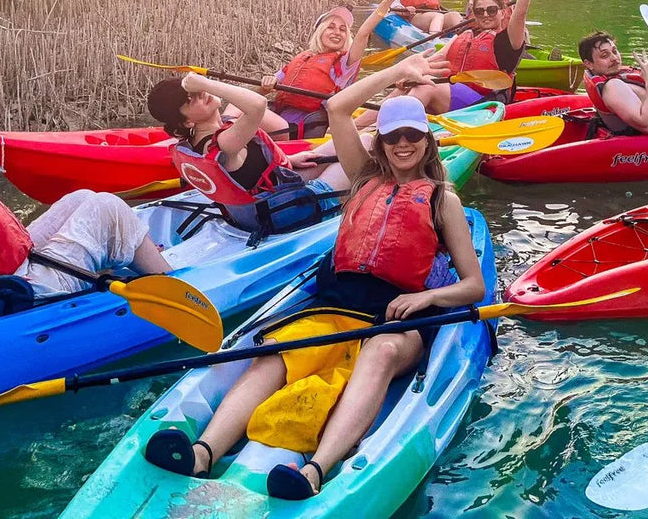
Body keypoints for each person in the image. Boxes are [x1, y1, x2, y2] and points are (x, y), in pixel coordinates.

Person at [142, 53, 486, 499]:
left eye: (413, 136)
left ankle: (315, 471)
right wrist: (399, 73)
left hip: (395, 321)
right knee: (275, 351)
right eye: (393, 136)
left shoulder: (443, 200)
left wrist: (424, 300)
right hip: (335, 305)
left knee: (378, 354)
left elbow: (473, 286)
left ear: (427, 141)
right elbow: (339, 108)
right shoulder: (364, 179)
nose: (403, 144)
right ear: (380, 142)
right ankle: (204, 451)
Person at [0, 118, 170, 317]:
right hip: (21, 292)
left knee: (82, 197)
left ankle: (133, 254)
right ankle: (174, 282)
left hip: (15, 263)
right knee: (108, 207)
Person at [147, 73, 349, 234]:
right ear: (187, 122)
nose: (200, 94)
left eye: (194, 91)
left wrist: (289, 160)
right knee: (362, 153)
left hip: (271, 197)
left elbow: (249, 171)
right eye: (190, 100)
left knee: (352, 141)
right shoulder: (222, 143)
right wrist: (206, 83)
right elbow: (257, 106)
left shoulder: (209, 136)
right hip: (283, 212)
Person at [401, 0, 548, 114]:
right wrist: (411, 74)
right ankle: (364, 125)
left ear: (502, 12)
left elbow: (521, 13)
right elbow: (434, 60)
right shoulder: (465, 35)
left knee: (425, 87)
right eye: (479, 11)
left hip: (485, 103)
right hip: (454, 92)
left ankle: (396, 126)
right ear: (474, 15)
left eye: (492, 10)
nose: (486, 14)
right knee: (409, 84)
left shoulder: (506, 41)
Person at [261, 0, 402, 138]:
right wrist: (265, 85)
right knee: (246, 103)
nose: (337, 32)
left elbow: (363, 33)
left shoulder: (345, 63)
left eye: (343, 30)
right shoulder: (302, 58)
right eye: (331, 27)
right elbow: (263, 90)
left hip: (299, 130)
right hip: (278, 119)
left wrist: (387, 1)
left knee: (251, 108)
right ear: (320, 32)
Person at [578, 31, 648, 135]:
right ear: (589, 64)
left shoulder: (611, 77)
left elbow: (641, 92)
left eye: (614, 51)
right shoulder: (612, 87)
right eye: (605, 56)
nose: (614, 58)